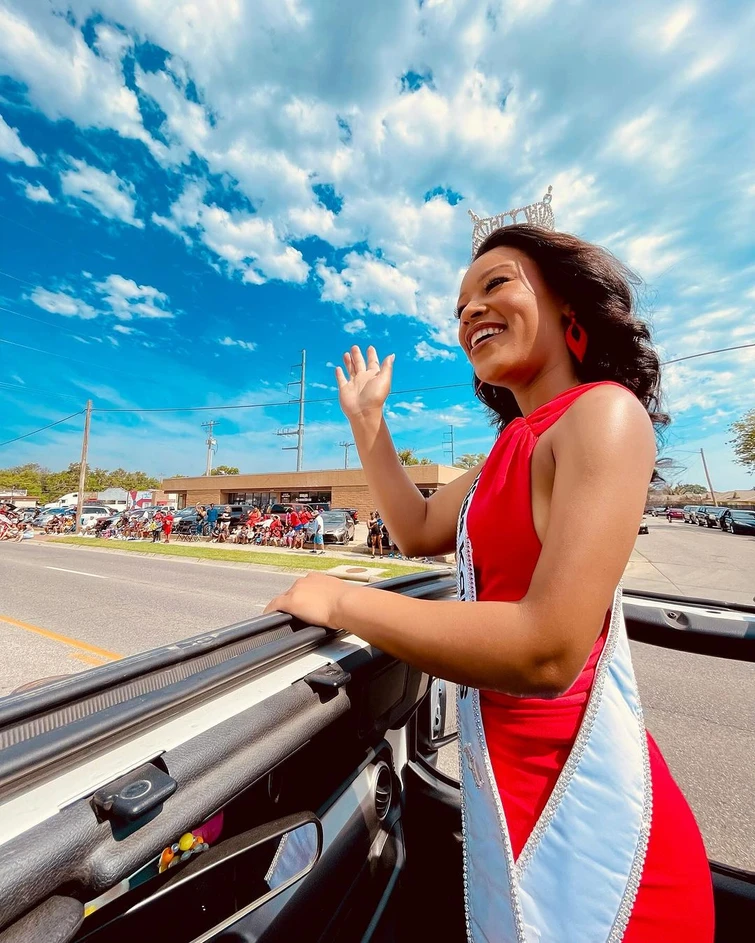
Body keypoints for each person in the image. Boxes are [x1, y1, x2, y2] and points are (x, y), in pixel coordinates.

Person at [263, 222, 714, 942]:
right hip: (501, 790)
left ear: (569, 308)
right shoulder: (512, 443)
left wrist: (344, 599)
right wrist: (368, 423)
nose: (469, 310)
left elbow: (547, 647)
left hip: (592, 825)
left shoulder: (602, 414)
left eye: (494, 284)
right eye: (459, 306)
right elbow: (415, 529)